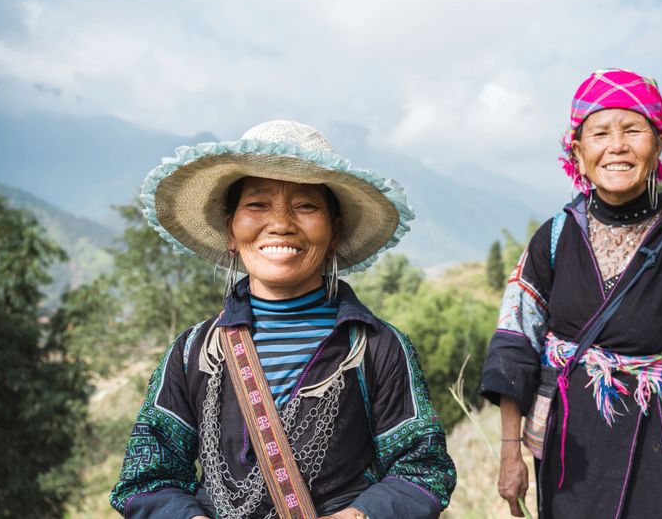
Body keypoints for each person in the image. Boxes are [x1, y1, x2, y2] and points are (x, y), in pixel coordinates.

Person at [110, 120, 456, 518]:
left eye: (306, 206)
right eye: (257, 205)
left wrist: (359, 516)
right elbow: (146, 478)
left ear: (335, 232)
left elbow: (424, 469)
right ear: (230, 230)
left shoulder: (375, 347)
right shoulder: (193, 352)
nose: (280, 223)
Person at [480, 69, 662, 518]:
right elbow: (514, 346)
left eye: (633, 130)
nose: (616, 146)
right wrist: (511, 456)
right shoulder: (555, 237)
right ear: (579, 153)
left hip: (659, 446)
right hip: (569, 455)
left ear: (657, 145)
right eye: (600, 133)